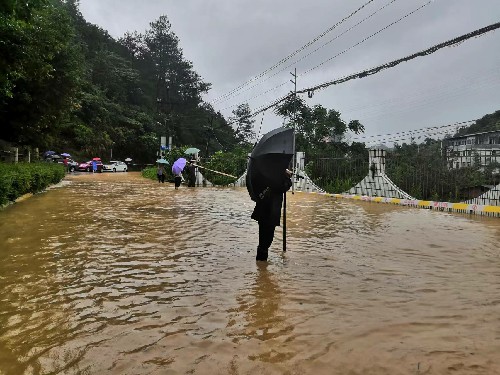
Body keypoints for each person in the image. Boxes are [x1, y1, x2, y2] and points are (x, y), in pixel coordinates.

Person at [251, 169, 293, 261]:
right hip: (269, 211)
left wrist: (285, 176)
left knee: (264, 240)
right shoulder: (272, 175)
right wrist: (286, 176)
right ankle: (262, 264)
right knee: (266, 241)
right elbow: (282, 187)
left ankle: (261, 267)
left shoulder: (262, 172)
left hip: (264, 210)